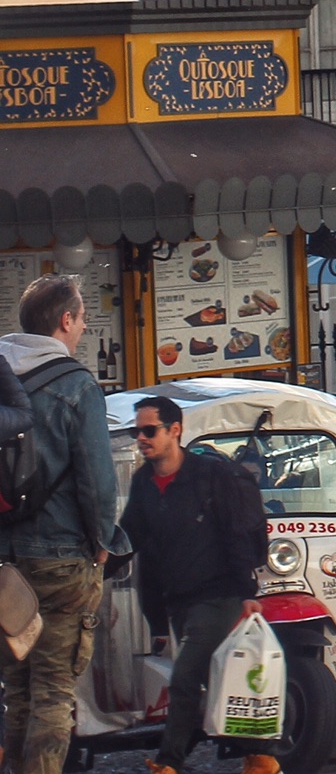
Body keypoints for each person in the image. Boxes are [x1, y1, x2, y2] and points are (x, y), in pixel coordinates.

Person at [0, 275, 121, 774]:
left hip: (7, 563)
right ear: (65, 321)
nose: (83, 328)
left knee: (18, 687)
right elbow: (97, 478)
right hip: (63, 558)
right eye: (82, 319)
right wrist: (101, 542)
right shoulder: (75, 385)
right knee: (53, 687)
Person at [117, 397, 275, 774]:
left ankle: (169, 763)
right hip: (178, 600)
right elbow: (132, 540)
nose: (141, 438)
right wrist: (98, 564)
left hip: (219, 595)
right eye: (136, 431)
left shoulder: (212, 476)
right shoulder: (143, 483)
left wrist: (247, 594)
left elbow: (236, 534)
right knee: (214, 678)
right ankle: (262, 757)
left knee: (186, 675)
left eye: (149, 430)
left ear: (175, 430)